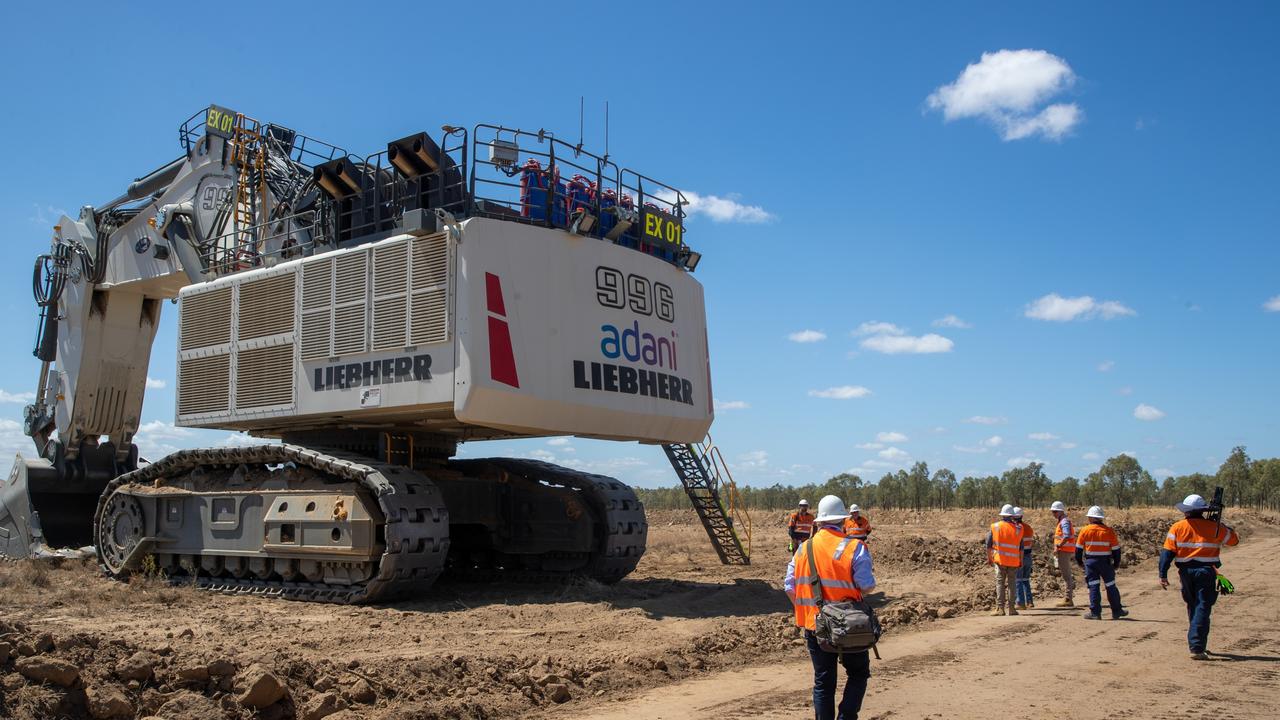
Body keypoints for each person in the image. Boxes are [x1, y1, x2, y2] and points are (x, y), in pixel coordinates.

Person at [784, 495, 876, 720]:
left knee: (824, 682)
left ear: (819, 522)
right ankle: (846, 716)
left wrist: (807, 609)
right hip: (851, 624)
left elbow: (789, 586)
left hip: (815, 626)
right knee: (858, 673)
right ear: (843, 520)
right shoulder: (855, 547)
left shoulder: (803, 549)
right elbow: (867, 586)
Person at [1158, 494, 1240, 660]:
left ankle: (1198, 643)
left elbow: (1167, 553)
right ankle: (1197, 646)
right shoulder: (1215, 527)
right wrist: (1223, 526)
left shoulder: (1177, 527)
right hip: (1207, 572)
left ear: (1186, 511)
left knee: (1193, 605)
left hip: (1186, 573)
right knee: (1203, 606)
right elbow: (1234, 541)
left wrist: (1163, 574)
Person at [1074, 506, 1128, 620]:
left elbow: (1078, 549)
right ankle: (1117, 611)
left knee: (1093, 586)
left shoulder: (1085, 530)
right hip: (1106, 562)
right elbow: (1116, 550)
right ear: (1100, 518)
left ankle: (1095, 613)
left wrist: (1079, 562)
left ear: (1091, 518)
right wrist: (1116, 563)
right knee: (1111, 586)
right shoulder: (1109, 531)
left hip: (1091, 562)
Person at [985, 504, 1024, 616]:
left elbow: (988, 544)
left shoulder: (995, 527)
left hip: (1000, 560)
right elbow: (1021, 548)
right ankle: (1012, 608)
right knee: (1012, 584)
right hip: (1013, 561)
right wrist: (1020, 560)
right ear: (1012, 516)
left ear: (1002, 515)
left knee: (1000, 583)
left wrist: (989, 558)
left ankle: (1000, 609)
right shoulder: (1019, 529)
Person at [1049, 501, 1077, 607]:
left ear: (1060, 511)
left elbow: (1066, 536)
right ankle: (1067, 597)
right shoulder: (1062, 521)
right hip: (1064, 550)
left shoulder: (1064, 521)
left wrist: (1059, 546)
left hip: (1064, 551)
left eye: (1055, 512)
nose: (1053, 514)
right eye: (1053, 512)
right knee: (1066, 575)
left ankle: (1068, 598)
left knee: (1067, 575)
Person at [1013, 507, 1035, 609]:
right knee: (1026, 579)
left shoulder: (1016, 528)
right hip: (1028, 556)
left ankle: (1020, 602)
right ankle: (1030, 602)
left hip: (1019, 556)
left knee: (1018, 580)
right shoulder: (1029, 527)